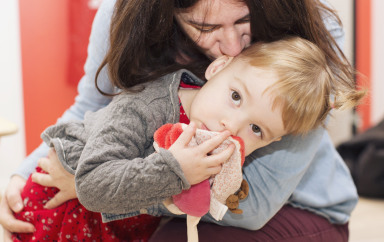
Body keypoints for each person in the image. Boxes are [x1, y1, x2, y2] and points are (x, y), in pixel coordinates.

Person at [0, 0, 361, 241]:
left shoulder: (309, 57)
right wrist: (24, 174)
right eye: (206, 26)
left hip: (297, 206)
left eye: (244, 20)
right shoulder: (127, 28)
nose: (234, 47)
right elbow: (89, 110)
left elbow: (256, 206)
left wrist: (103, 185)